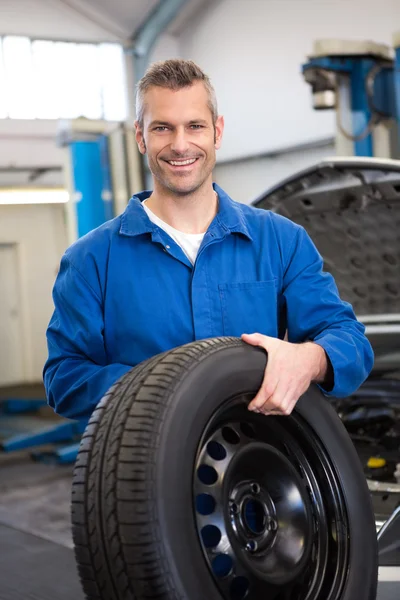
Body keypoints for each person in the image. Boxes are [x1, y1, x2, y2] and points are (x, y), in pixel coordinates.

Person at [43, 59, 373, 424]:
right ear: (141, 137)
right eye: (163, 128)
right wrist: (166, 387)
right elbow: (64, 379)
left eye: (195, 126)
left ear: (217, 132)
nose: (180, 145)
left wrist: (309, 359)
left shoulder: (281, 241)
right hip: (138, 469)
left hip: (257, 461)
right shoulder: (90, 260)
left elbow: (351, 343)